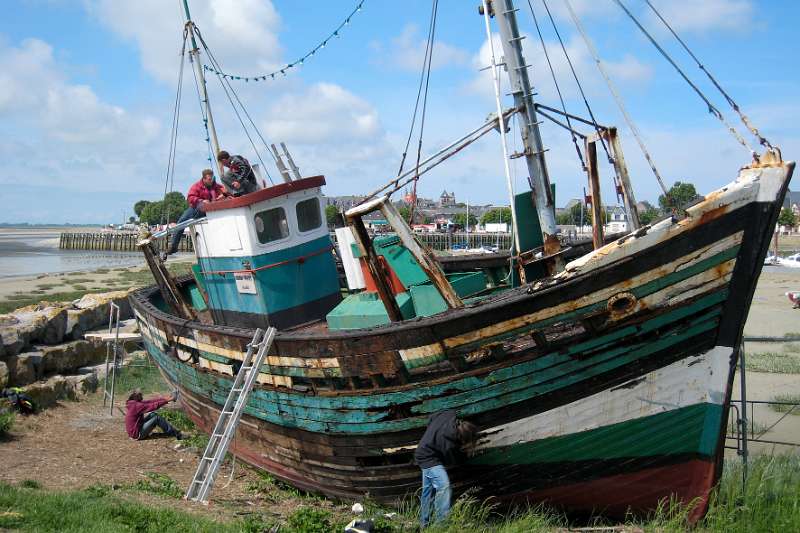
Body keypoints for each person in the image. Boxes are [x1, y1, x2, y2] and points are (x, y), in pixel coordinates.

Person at [414, 410, 478, 529]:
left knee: (428, 492)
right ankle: (441, 525)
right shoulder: (450, 445)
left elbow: (432, 417)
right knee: (444, 486)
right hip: (429, 458)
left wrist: (431, 435)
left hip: (421, 450)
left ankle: (424, 524)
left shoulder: (449, 414)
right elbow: (453, 462)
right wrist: (464, 455)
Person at [163, 168, 226, 259]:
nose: (211, 181)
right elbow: (190, 197)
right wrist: (201, 200)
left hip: (211, 209)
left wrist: (223, 195)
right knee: (181, 223)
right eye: (209, 179)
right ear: (203, 179)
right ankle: (173, 246)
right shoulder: (196, 186)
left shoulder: (216, 186)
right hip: (195, 208)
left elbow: (225, 191)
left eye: (212, 178)